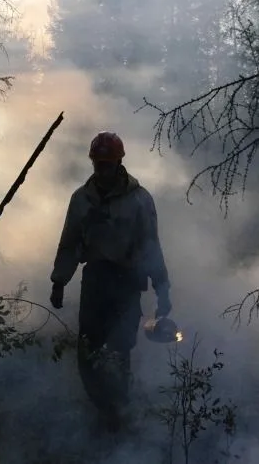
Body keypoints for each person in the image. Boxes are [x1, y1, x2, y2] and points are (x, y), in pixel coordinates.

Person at [49, 131, 172, 430]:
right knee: (89, 347)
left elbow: (151, 246)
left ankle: (118, 410)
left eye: (107, 163)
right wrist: (59, 281)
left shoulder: (139, 200)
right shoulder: (82, 199)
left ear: (119, 162)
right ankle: (100, 404)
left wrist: (162, 290)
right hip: (95, 281)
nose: (102, 169)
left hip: (128, 283)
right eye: (98, 163)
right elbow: (70, 242)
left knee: (120, 348)